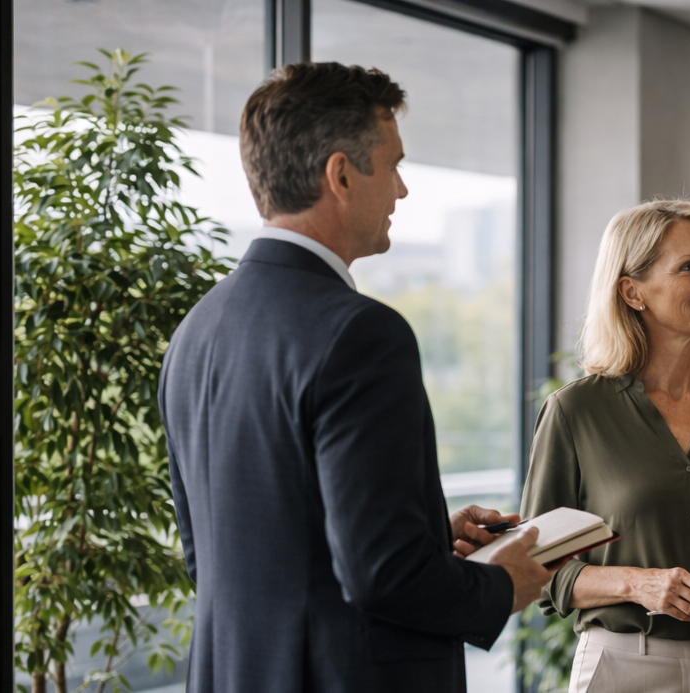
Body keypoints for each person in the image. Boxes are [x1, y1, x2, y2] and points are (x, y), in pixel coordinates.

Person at [158, 62, 556, 693]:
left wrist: (424, 533)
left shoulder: (197, 329)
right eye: (393, 165)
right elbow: (381, 576)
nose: (402, 190)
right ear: (340, 174)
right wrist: (503, 583)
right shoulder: (362, 334)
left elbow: (219, 552)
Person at [521, 200, 690, 693]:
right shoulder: (575, 413)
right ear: (632, 291)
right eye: (689, 267)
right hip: (624, 670)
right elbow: (539, 568)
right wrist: (638, 583)